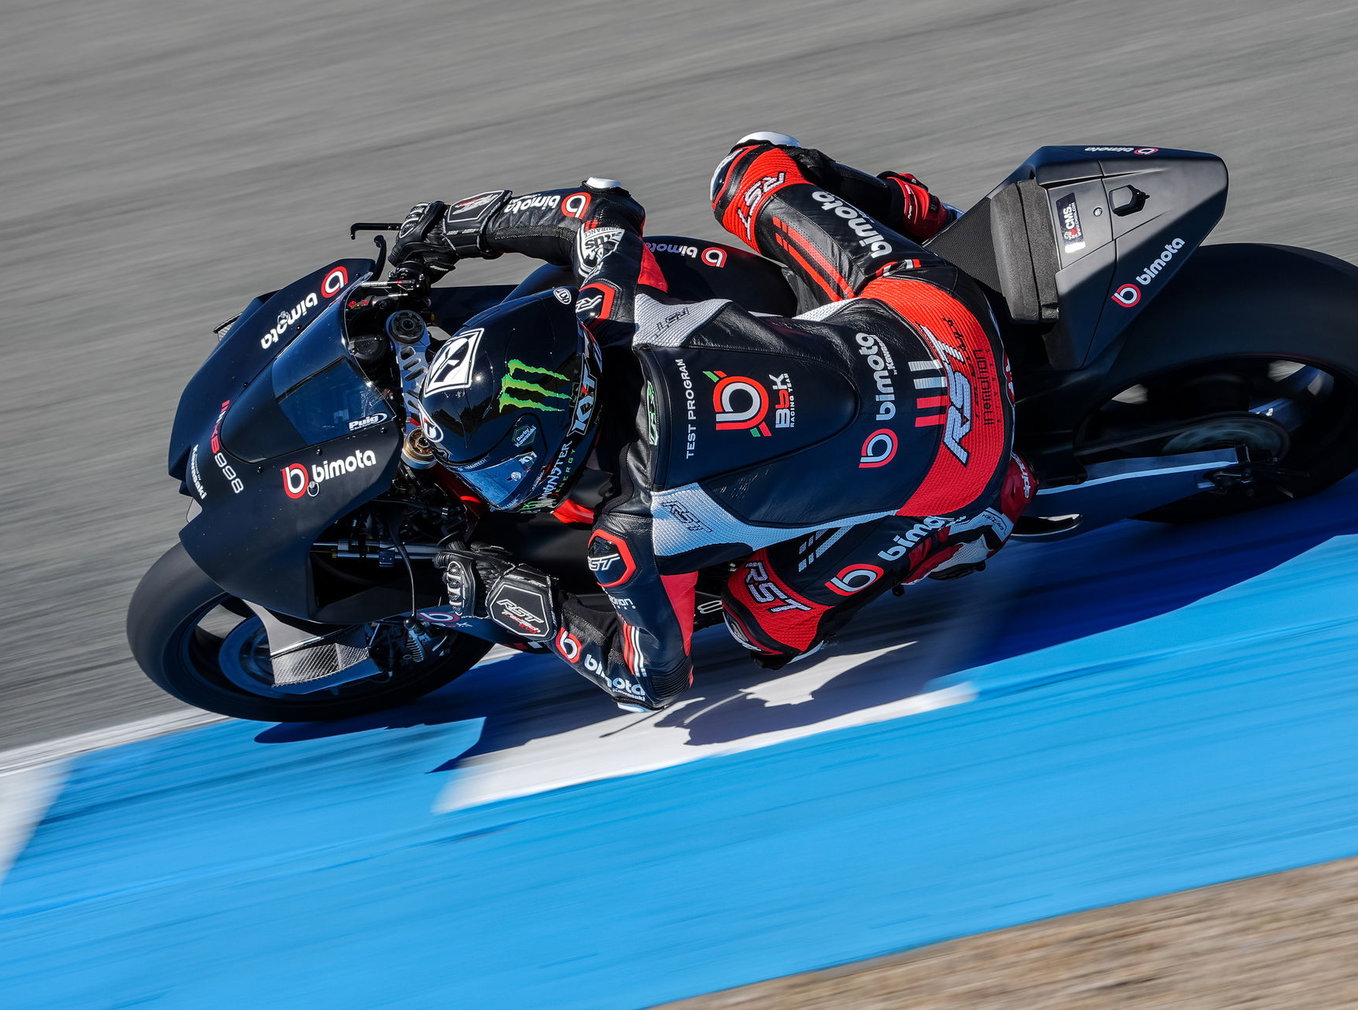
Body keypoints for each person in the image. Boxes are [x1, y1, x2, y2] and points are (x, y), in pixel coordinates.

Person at [391, 134, 1037, 712]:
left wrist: (512, 596)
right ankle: (924, 216)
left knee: (759, 621)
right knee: (746, 170)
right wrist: (454, 228)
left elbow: (651, 679)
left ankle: (974, 520)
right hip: (938, 304)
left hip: (970, 455)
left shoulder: (628, 537)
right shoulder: (619, 308)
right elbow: (600, 208)